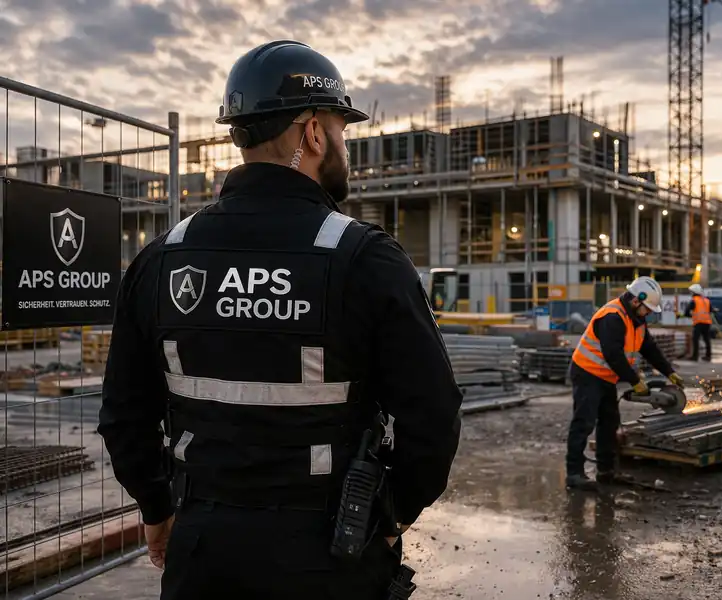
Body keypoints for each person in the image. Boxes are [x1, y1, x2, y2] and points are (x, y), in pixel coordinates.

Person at [97, 40, 462, 600]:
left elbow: (124, 413)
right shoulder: (364, 257)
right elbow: (433, 418)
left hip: (203, 554)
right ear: (313, 131)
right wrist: (389, 519)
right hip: (328, 557)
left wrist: (156, 508)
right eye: (341, 129)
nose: (344, 145)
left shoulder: (164, 256)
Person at [565, 276, 684, 490]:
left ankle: (606, 471)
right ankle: (574, 474)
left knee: (609, 423)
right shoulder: (613, 317)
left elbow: (649, 348)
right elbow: (613, 355)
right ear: (636, 300)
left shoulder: (636, 321)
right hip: (587, 374)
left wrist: (669, 372)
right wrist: (635, 381)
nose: (648, 313)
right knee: (584, 423)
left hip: (605, 377)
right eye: (647, 308)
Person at [683, 283, 716, 361]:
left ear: (694, 292)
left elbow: (687, 311)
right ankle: (708, 356)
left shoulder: (694, 301)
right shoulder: (706, 300)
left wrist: (690, 316)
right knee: (707, 339)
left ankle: (695, 356)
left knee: (695, 339)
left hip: (698, 323)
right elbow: (711, 310)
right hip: (707, 323)